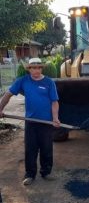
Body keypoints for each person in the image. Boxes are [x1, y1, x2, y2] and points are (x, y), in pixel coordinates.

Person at [0, 58, 60, 186]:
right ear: (29, 69)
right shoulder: (23, 81)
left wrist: (55, 118)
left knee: (46, 148)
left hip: (46, 122)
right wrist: (0, 109)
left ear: (41, 68)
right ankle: (30, 174)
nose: (36, 70)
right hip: (30, 122)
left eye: (39, 67)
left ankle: (46, 172)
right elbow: (8, 94)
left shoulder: (49, 82)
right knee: (30, 149)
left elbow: (54, 102)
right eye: (33, 68)